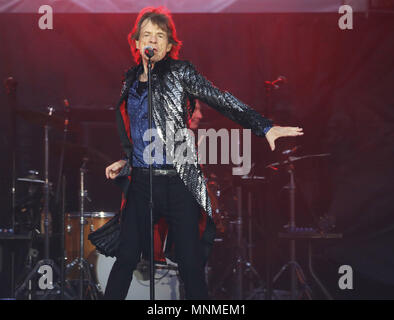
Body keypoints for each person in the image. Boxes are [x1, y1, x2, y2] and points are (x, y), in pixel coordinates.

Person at [102, 6, 303, 300]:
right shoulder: (129, 81)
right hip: (142, 182)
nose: (153, 41)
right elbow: (140, 130)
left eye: (160, 36)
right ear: (135, 42)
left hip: (178, 182)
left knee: (190, 266)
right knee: (125, 259)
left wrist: (264, 127)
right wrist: (127, 159)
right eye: (147, 34)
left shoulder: (182, 73)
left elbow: (221, 99)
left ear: (169, 45)